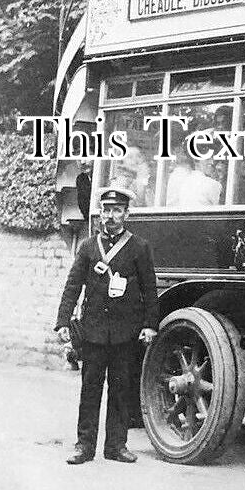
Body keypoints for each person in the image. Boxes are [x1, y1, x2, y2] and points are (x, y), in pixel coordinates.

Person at [55, 188, 159, 464]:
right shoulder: (89, 247)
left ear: (127, 214)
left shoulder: (139, 247)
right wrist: (62, 320)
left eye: (116, 211)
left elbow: (150, 289)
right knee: (90, 390)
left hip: (125, 332)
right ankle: (84, 446)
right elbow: (73, 285)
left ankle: (116, 446)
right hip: (93, 331)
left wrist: (150, 324)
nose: (110, 216)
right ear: (100, 213)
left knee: (121, 390)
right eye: (106, 210)